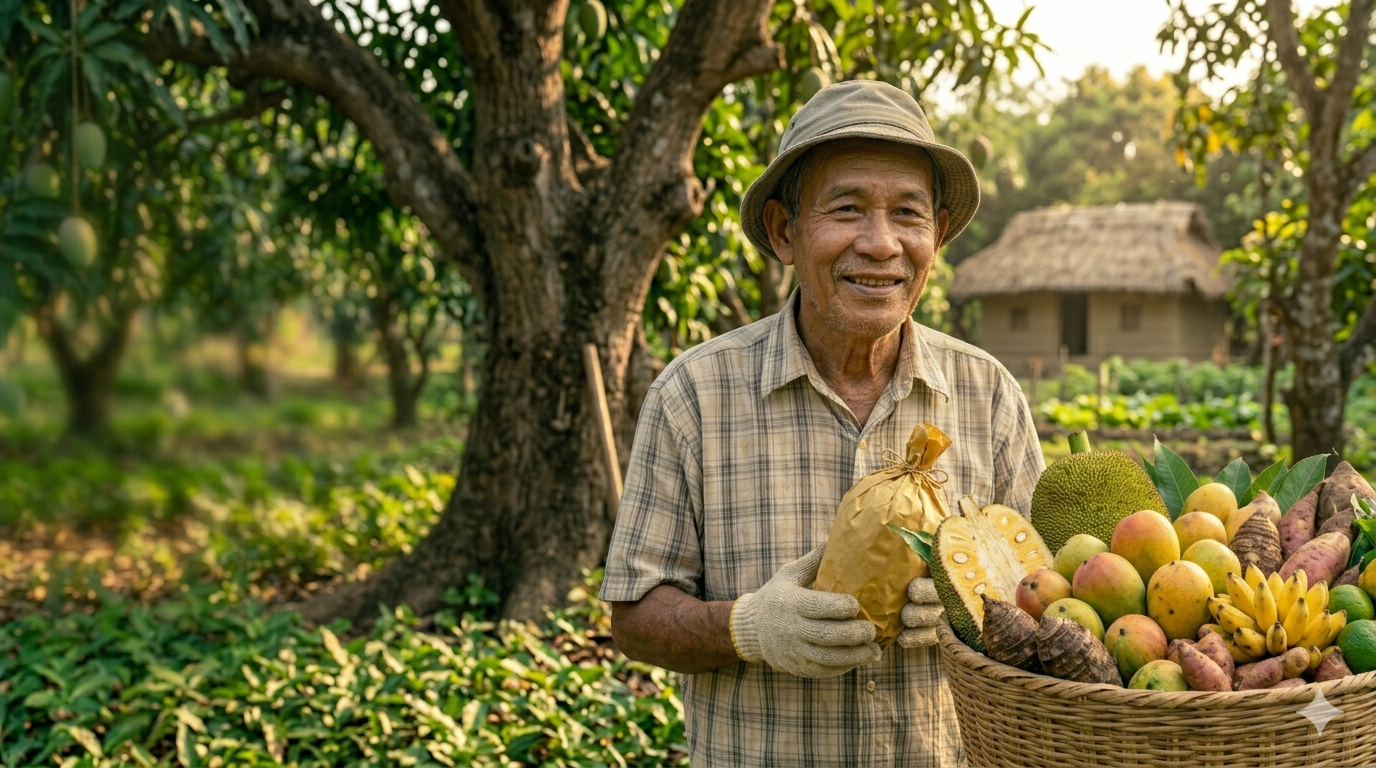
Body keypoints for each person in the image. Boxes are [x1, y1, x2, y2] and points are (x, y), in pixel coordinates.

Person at [599, 80, 1045, 767]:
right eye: (847, 210)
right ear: (785, 231)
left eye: (908, 214)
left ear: (939, 235)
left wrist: (980, 608)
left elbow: (1049, 596)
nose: (880, 244)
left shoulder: (989, 395)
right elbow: (634, 617)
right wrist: (747, 627)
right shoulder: (693, 396)